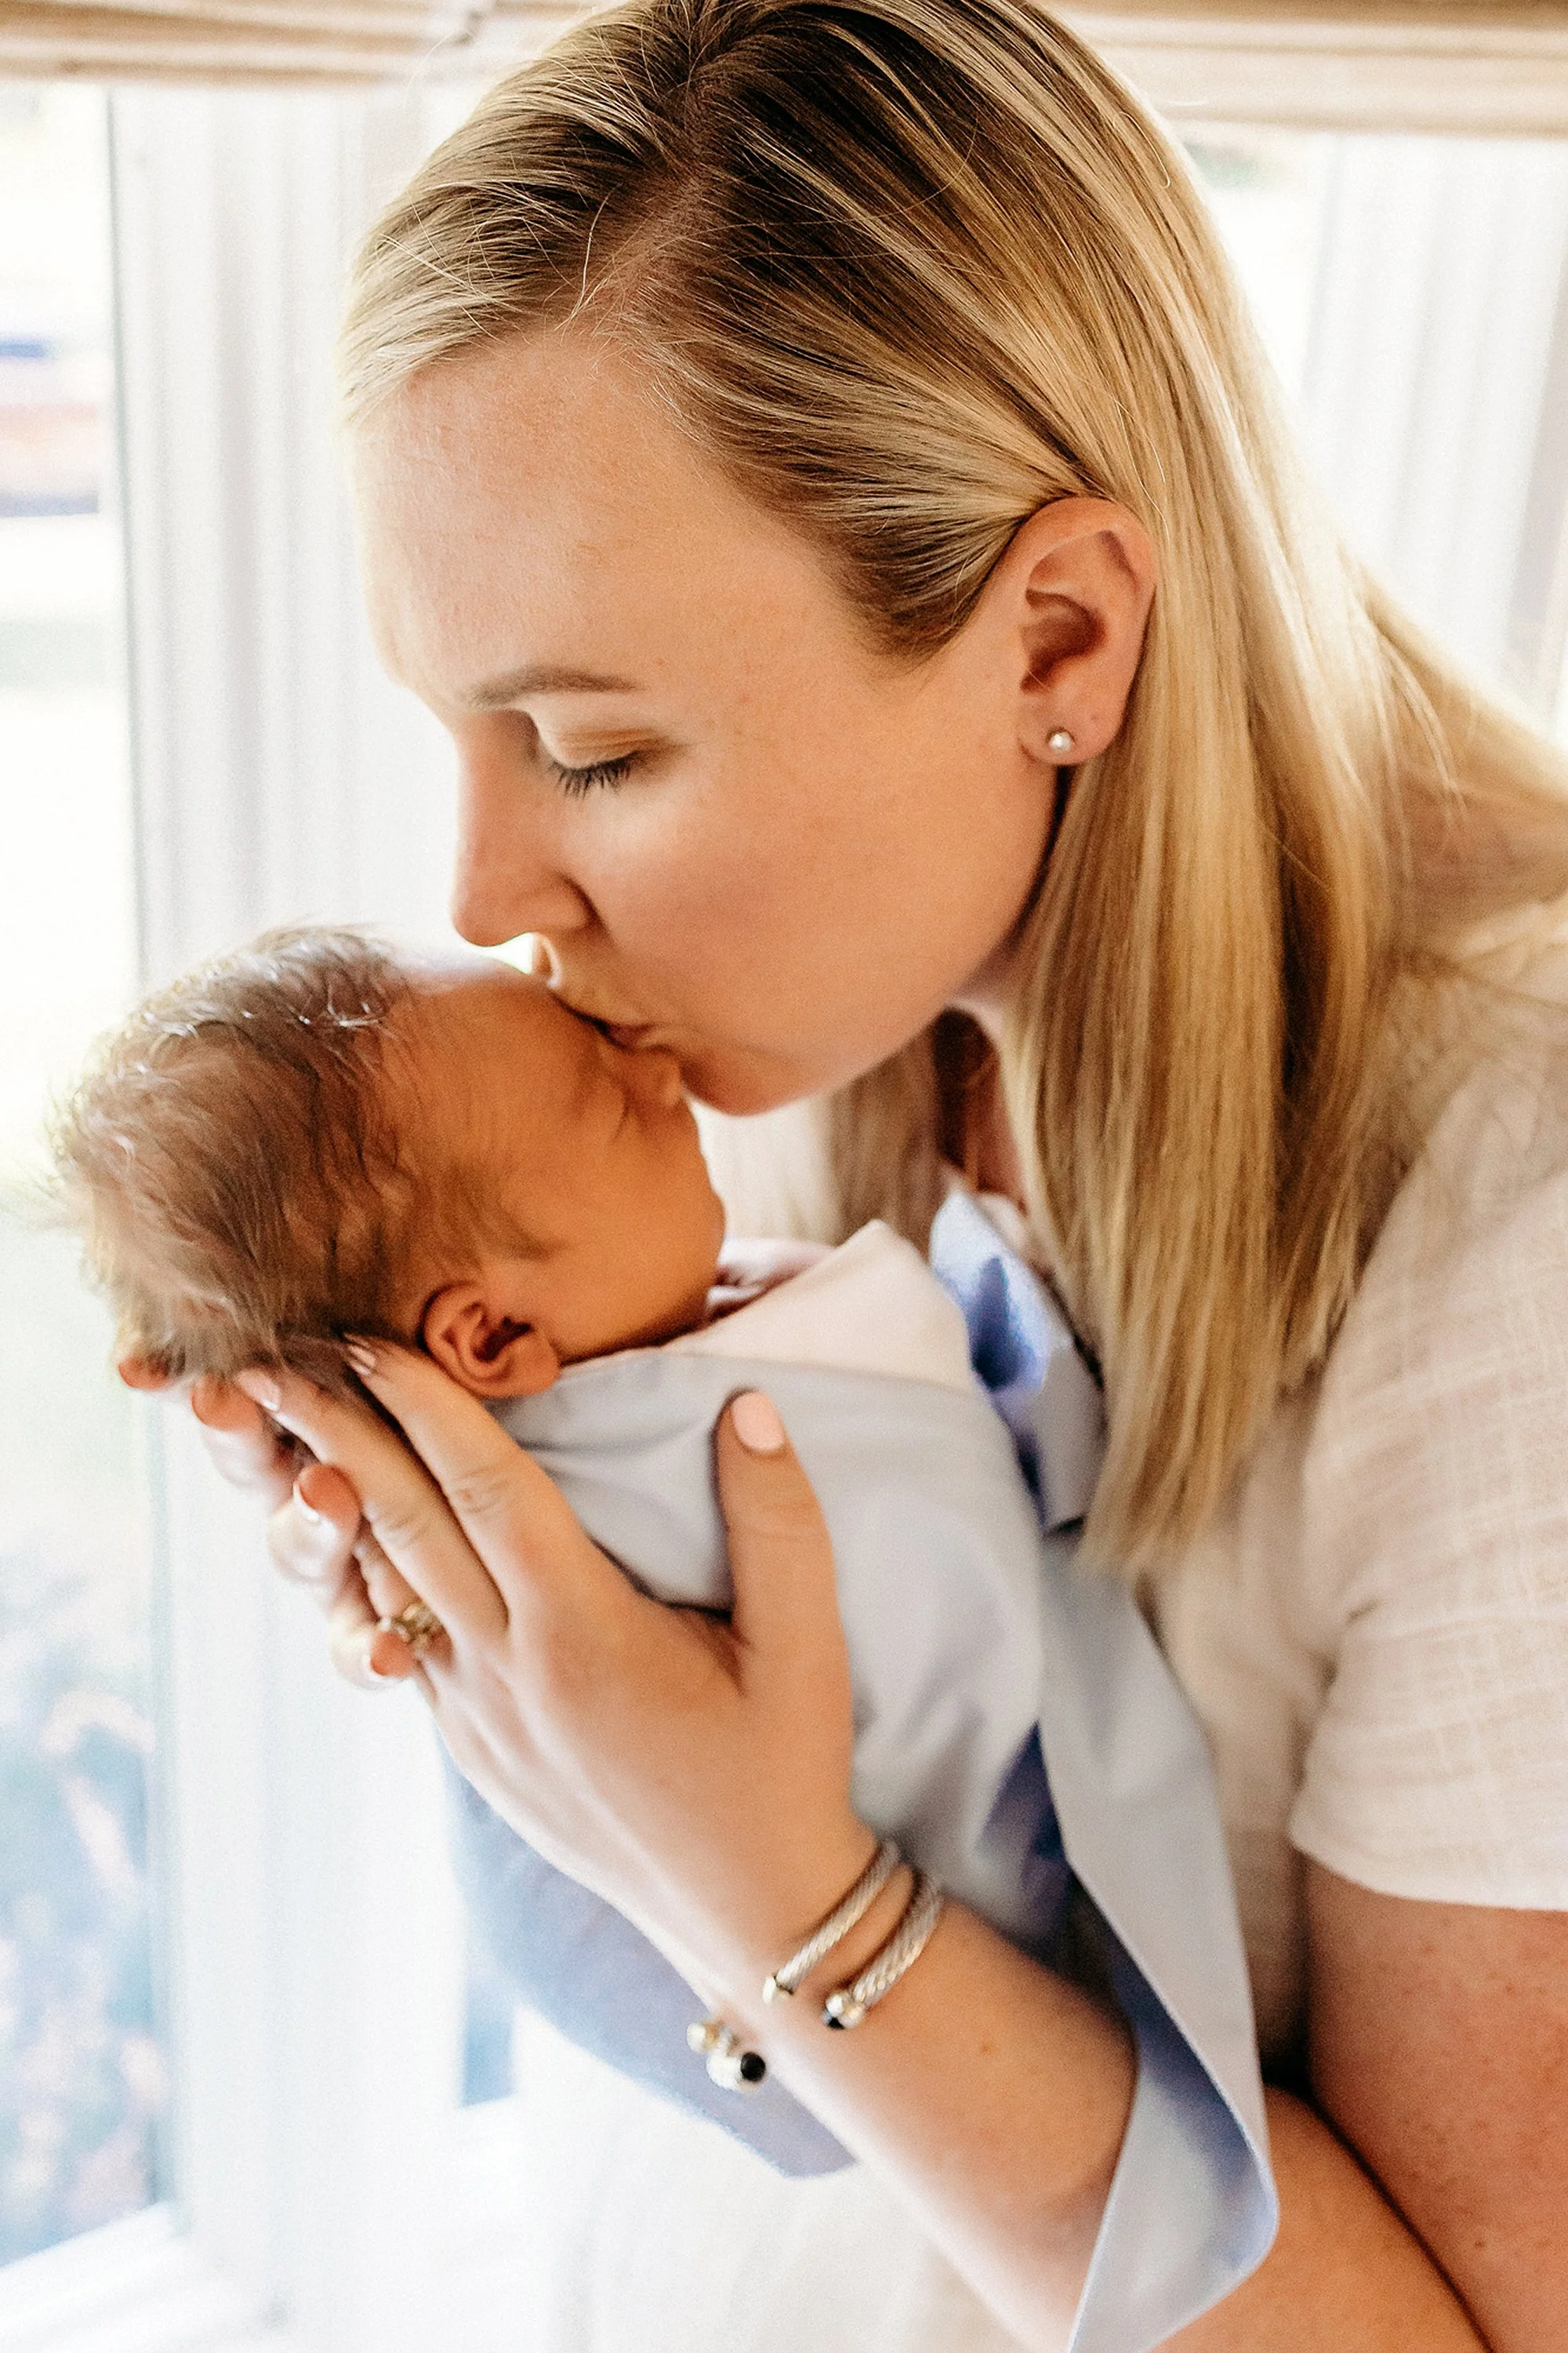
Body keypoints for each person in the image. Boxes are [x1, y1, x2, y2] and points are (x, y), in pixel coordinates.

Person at [163, 0, 1568, 2346]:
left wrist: (769, 1892)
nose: (487, 892)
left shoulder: (1520, 1241)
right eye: (459, 730)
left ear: (1057, 636)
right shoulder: (790, 1030)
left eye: (596, 751)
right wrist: (532, 1579)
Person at [59, 925, 1266, 2213]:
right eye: (608, 1101)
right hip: (887, 2027)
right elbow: (956, 1588)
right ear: (491, 1336)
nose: (654, 1069)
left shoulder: (641, 1305)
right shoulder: (647, 1481)